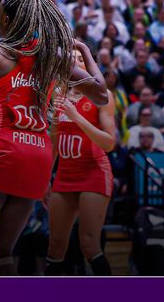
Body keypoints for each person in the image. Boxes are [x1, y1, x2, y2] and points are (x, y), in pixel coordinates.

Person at [0, 0, 108, 276]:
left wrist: (4, 150)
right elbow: (102, 95)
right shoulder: (55, 59)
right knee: (3, 254)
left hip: (4, 149)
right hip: (38, 159)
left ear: (6, 20)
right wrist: (83, 50)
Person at [46, 49, 117, 276]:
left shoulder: (103, 95)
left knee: (89, 244)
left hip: (93, 170)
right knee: (55, 245)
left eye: (79, 59)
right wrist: (44, 177)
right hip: (65, 174)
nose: (74, 62)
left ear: (88, 65)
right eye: (70, 59)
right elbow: (54, 142)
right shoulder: (59, 94)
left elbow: (109, 143)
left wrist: (76, 116)